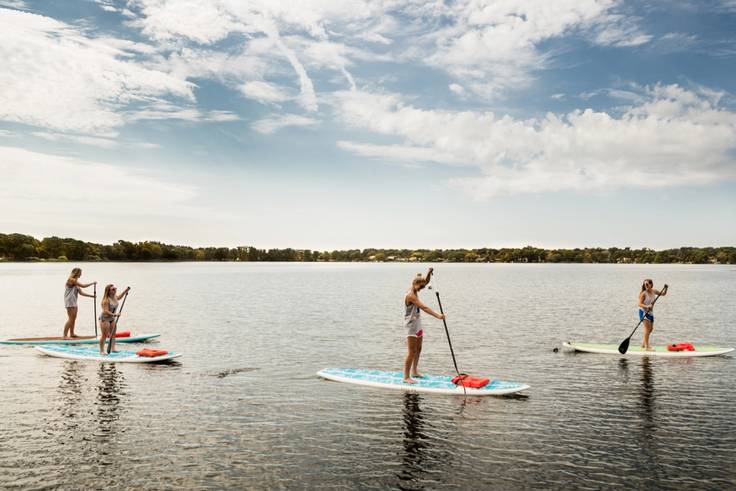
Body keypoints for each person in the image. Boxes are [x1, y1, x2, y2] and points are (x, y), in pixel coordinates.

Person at [403, 268, 444, 384]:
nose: (422, 289)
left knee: (419, 349)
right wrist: (438, 316)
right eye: (420, 287)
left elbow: (425, 281)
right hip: (410, 325)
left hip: (418, 323)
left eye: (423, 287)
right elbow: (424, 308)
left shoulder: (415, 288)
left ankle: (414, 372)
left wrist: (428, 273)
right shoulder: (411, 295)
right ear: (414, 284)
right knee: (411, 351)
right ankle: (406, 377)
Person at [63, 268, 96, 338]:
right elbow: (83, 286)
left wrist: (91, 296)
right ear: (77, 273)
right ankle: (64, 336)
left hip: (74, 301)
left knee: (73, 318)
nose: (81, 274)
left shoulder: (76, 282)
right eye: (80, 273)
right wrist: (92, 283)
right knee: (71, 319)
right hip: (69, 301)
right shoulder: (71, 280)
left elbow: (81, 293)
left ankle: (72, 333)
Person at [99, 284, 130, 355]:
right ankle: (101, 351)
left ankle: (113, 349)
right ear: (108, 291)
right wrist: (115, 314)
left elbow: (119, 297)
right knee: (104, 335)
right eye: (113, 289)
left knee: (113, 334)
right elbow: (105, 311)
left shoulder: (115, 297)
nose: (115, 290)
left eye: (115, 288)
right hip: (105, 319)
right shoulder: (106, 300)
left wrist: (125, 291)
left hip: (112, 319)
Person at [638, 279, 668, 351]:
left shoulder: (654, 291)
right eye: (645, 285)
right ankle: (647, 347)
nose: (646, 286)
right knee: (647, 329)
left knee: (650, 329)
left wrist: (666, 288)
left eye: (647, 284)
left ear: (651, 284)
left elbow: (663, 294)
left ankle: (643, 344)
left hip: (650, 312)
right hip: (643, 312)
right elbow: (639, 304)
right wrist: (647, 306)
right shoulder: (643, 294)